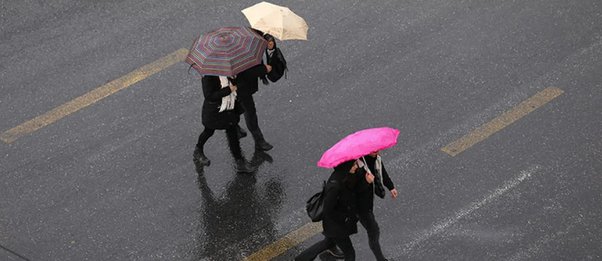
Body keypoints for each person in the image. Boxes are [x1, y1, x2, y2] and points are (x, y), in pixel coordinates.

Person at [295, 160, 360, 261]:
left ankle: (301, 259)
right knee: (350, 254)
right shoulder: (335, 186)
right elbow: (328, 210)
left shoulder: (343, 175)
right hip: (336, 226)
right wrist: (345, 218)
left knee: (328, 242)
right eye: (354, 165)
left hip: (335, 225)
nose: (356, 166)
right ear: (346, 166)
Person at [192, 75, 256, 173]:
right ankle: (198, 149)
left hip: (229, 109)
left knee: (232, 133)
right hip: (214, 111)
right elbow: (209, 96)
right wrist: (228, 89)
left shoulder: (228, 72)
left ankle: (239, 161)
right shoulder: (208, 77)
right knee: (208, 131)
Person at [354, 151, 397, 261]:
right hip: (359, 206)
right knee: (373, 231)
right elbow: (354, 189)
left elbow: (382, 172)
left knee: (341, 231)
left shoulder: (376, 158)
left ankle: (329, 243)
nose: (377, 152)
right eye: (374, 150)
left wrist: (391, 187)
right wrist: (366, 182)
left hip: (366, 203)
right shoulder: (358, 165)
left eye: (378, 149)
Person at [235, 63, 274, 151]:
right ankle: (259, 140)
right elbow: (245, 73)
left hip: (235, 87)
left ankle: (235, 129)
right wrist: (263, 70)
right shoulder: (240, 54)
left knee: (235, 107)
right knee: (249, 112)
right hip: (240, 88)